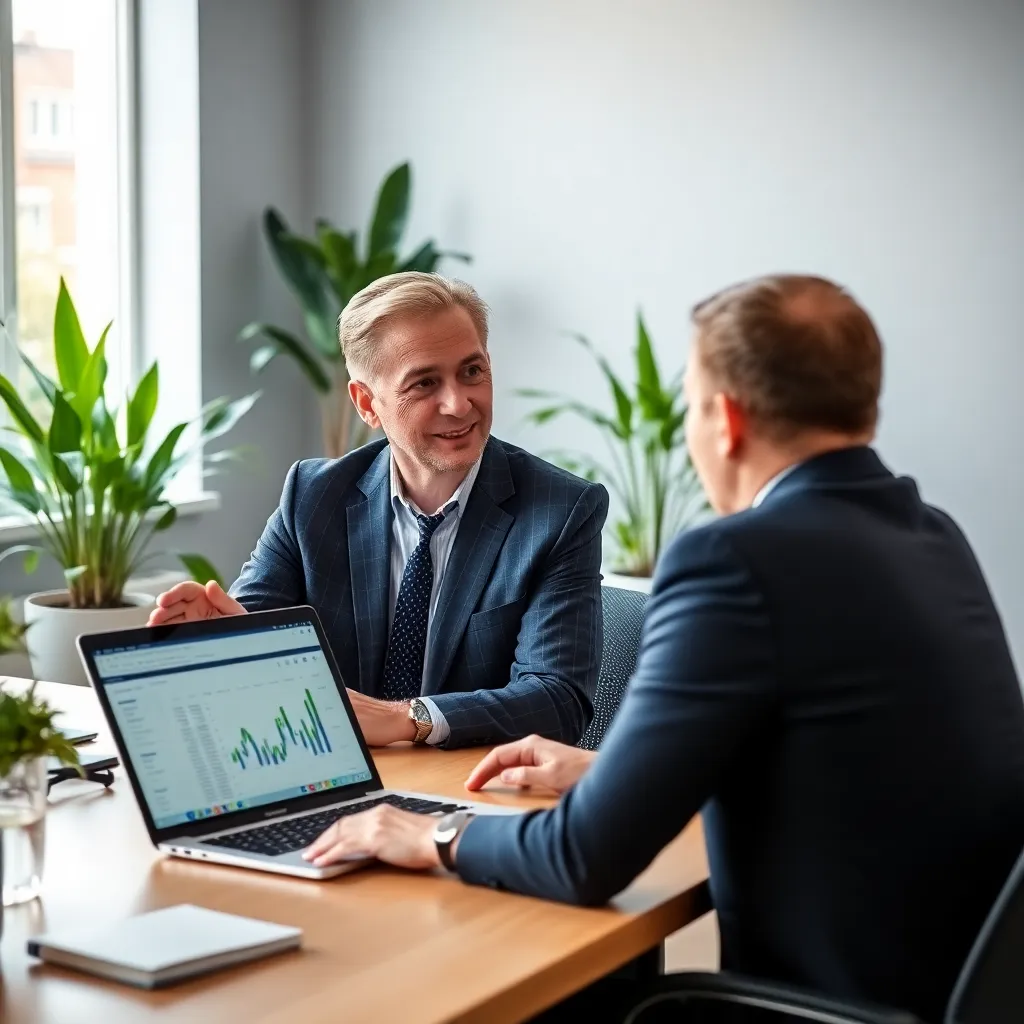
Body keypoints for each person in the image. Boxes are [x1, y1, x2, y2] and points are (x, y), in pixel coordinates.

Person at [301, 274, 1024, 1022]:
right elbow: (833, 765)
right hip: (950, 994)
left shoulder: (736, 560)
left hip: (823, 1009)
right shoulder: (932, 534)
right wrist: (615, 772)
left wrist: (429, 832)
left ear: (727, 421)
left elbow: (581, 860)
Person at [148, 272, 608, 750]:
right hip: (340, 779)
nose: (459, 403)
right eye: (425, 383)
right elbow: (264, 643)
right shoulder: (313, 496)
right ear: (367, 403)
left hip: (468, 790)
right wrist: (221, 641)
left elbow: (558, 702)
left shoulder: (561, 511)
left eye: (472, 371)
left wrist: (410, 718)